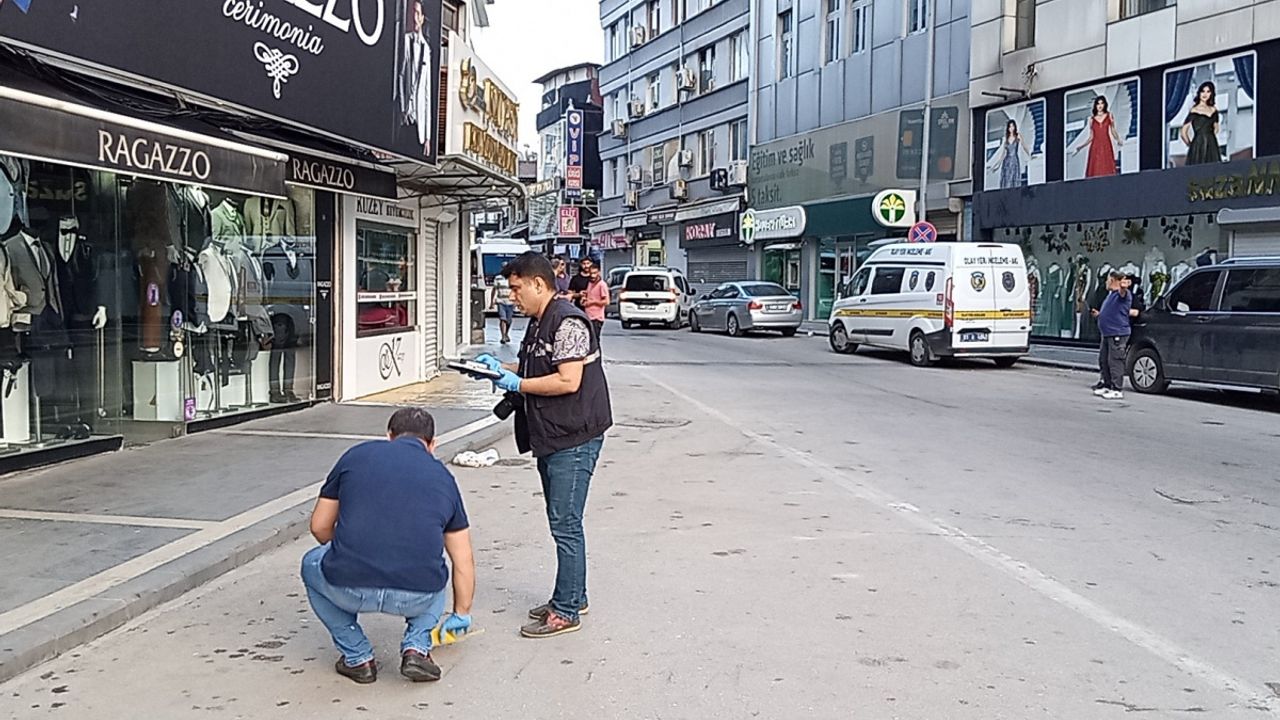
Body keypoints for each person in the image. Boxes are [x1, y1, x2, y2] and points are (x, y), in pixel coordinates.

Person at [473, 252, 612, 639]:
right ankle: (573, 595)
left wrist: (517, 384)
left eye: (516, 288)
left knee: (565, 524)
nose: (512, 297)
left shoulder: (567, 321)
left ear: (538, 284)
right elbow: (537, 367)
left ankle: (566, 611)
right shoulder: (538, 322)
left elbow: (568, 380)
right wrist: (498, 370)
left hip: (575, 436)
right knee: (561, 520)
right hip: (551, 433)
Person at [301, 407, 475, 683]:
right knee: (436, 569)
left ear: (389, 436)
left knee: (311, 562)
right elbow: (463, 560)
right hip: (416, 595)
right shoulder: (444, 478)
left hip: (347, 586)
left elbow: (319, 526)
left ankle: (358, 657)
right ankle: (417, 648)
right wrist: (461, 614)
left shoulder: (355, 456)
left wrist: (349, 553)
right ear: (432, 444)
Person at [1089, 271, 1132, 400]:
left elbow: (1123, 293)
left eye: (1108, 280)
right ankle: (1107, 385)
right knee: (1104, 360)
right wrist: (1100, 315)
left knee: (1115, 361)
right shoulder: (1111, 295)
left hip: (1117, 333)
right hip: (1107, 333)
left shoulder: (1122, 294)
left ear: (1113, 280)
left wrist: (1123, 287)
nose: (1106, 283)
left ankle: (1117, 389)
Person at [1073, 96, 1121, 178]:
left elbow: (1113, 130)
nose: (1100, 105)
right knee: (1095, 168)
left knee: (1106, 167)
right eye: (1098, 104)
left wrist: (1118, 139)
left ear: (1104, 104)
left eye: (1102, 103)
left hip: (1106, 144)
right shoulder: (1091, 120)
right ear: (1095, 105)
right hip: (1095, 147)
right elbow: (1091, 137)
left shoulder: (1109, 115)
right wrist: (1080, 146)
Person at [1180, 81, 1221, 166]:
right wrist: (1191, 145)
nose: (1205, 94)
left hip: (1211, 145)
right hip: (1198, 145)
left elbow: (1216, 129)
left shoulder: (1214, 110)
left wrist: (1210, 139)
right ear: (1199, 93)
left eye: (1208, 91)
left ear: (1211, 94)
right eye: (1203, 91)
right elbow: (1183, 132)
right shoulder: (1194, 110)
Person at [989, 119, 1031, 189]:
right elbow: (1003, 154)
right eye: (1010, 127)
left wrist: (1029, 154)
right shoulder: (1006, 139)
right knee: (1007, 180)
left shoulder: (1018, 136)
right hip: (1006, 162)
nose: (1011, 128)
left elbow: (1024, 146)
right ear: (1008, 128)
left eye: (1012, 126)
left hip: (1014, 161)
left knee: (1014, 179)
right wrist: (997, 165)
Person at [582, 265, 609, 340]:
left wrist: (593, 302)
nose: (592, 275)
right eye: (591, 273)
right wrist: (584, 299)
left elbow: (606, 301)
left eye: (595, 273)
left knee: (595, 339)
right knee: (589, 339)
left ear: (598, 273)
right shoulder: (589, 283)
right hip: (588, 316)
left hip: (597, 318)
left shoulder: (602, 285)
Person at [494, 271, 515, 344]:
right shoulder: (498, 278)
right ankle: (503, 336)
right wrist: (492, 301)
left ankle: (506, 333)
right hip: (501, 301)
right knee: (503, 319)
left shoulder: (513, 277)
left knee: (509, 321)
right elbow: (494, 289)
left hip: (510, 302)